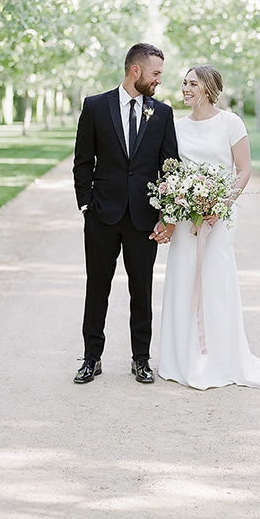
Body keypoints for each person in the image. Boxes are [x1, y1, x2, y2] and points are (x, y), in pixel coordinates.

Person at [158, 65, 260, 389]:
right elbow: (171, 172)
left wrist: (220, 203)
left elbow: (243, 169)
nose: (185, 88)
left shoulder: (230, 123)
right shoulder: (177, 126)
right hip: (187, 218)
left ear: (209, 88)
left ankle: (223, 360)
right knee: (183, 280)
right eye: (184, 83)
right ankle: (179, 359)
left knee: (216, 281)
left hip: (221, 217)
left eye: (192, 84)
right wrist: (179, 203)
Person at [73, 43, 178, 384]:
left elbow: (169, 167)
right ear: (136, 70)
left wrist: (167, 213)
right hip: (102, 215)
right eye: (156, 73)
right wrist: (87, 204)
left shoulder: (162, 113)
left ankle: (141, 360)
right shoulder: (95, 106)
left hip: (142, 219)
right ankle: (91, 359)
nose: (159, 80)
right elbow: (82, 161)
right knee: (97, 289)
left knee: (142, 291)